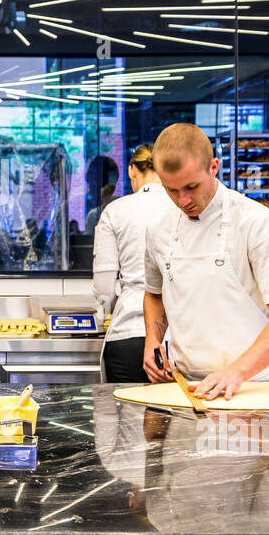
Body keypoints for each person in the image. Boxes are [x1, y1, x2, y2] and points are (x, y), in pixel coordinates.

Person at [142, 123, 269, 400]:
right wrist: (152, 340)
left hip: (252, 386)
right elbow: (154, 294)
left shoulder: (256, 223)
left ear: (214, 167)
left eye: (192, 187)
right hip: (186, 387)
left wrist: (236, 372)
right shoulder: (159, 230)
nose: (183, 200)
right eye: (172, 190)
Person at [92, 144, 174, 382]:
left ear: (131, 171)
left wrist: (107, 307)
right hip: (176, 341)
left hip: (127, 336)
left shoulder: (115, 211)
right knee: (178, 419)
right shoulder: (182, 208)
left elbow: (104, 288)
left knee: (124, 418)